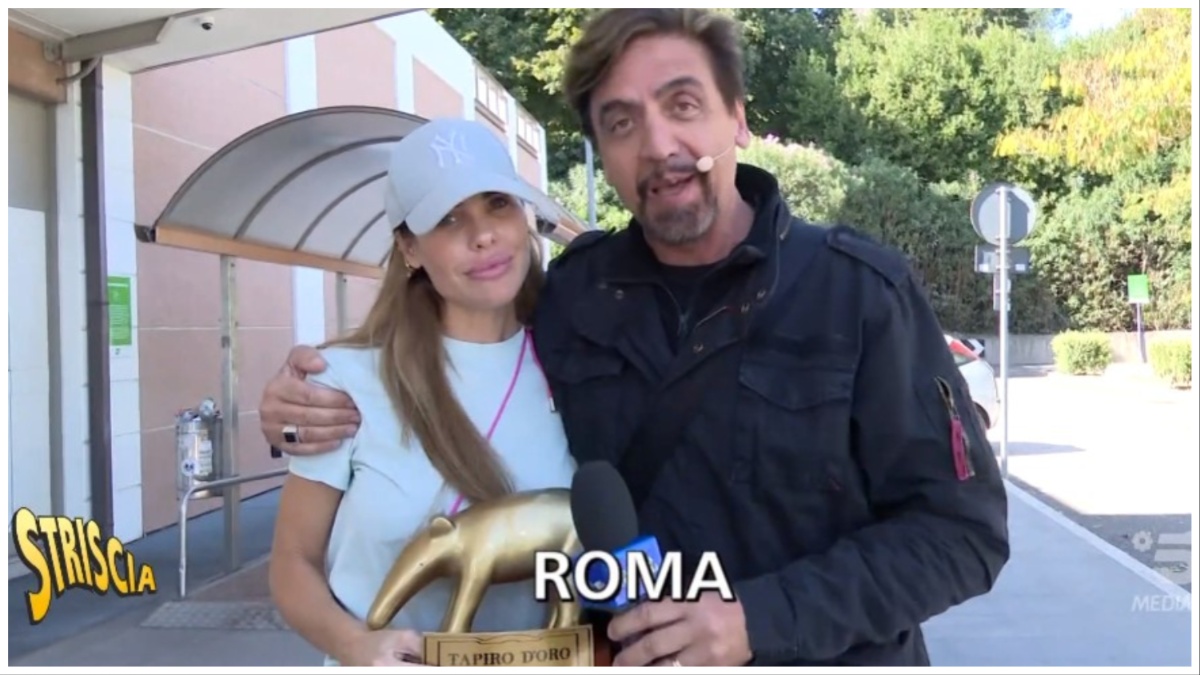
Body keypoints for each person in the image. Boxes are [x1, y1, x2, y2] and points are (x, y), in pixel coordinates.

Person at [260, 8, 1010, 668]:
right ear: (603, 155)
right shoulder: (573, 299)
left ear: (737, 117)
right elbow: (453, 345)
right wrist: (295, 408)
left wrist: (759, 619)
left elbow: (962, 534)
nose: (657, 143)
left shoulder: (861, 293)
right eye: (620, 123)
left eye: (683, 104)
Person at [266, 117, 577, 667]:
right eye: (448, 218)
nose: (483, 235)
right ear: (409, 249)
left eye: (497, 204)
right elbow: (293, 562)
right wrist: (355, 645)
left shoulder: (583, 368)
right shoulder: (343, 381)